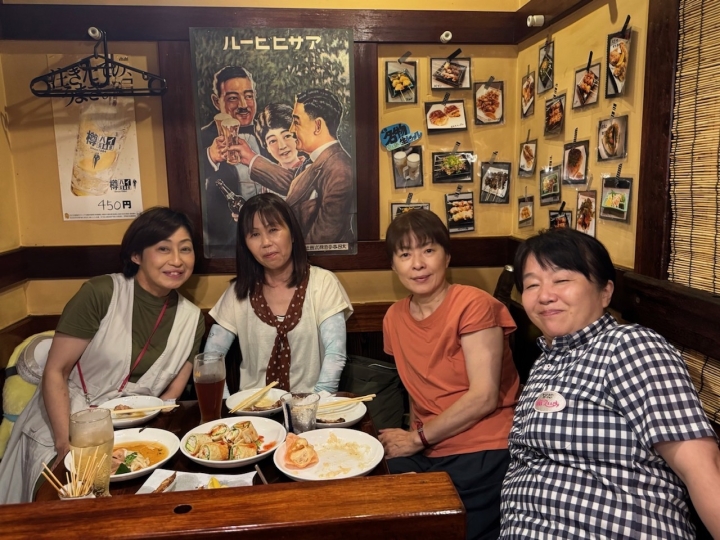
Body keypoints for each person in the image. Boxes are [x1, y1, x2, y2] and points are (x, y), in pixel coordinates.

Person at [500, 228, 720, 538]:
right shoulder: (546, 361)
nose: (545, 295)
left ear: (605, 292)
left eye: (561, 280)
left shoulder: (629, 346)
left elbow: (701, 468)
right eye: (532, 284)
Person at [0, 207, 204, 504]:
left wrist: (148, 441)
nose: (177, 260)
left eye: (185, 249)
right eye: (163, 248)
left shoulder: (192, 318)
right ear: (136, 255)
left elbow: (169, 398)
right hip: (67, 423)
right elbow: (56, 371)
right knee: (67, 506)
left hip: (136, 435)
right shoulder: (101, 293)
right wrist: (65, 446)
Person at [378, 210, 520, 540]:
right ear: (394, 266)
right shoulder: (393, 317)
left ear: (447, 256)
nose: (418, 264)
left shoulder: (473, 304)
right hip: (429, 449)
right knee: (370, 497)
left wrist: (415, 439)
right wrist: (412, 438)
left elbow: (484, 398)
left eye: (428, 250)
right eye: (405, 254)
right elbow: (416, 388)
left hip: (484, 448)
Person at [203, 193, 353, 394]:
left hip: (310, 405)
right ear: (245, 244)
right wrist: (223, 404)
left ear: (292, 234)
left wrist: (318, 401)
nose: (266, 242)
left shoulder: (323, 283)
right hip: (253, 408)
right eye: (254, 234)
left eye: (273, 229)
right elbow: (211, 357)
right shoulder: (238, 292)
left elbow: (335, 354)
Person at [233, 88, 355, 246]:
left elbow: (323, 236)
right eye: (272, 141)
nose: (292, 129)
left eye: (296, 122)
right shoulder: (320, 162)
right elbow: (294, 185)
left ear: (317, 125)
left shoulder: (338, 168)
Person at [200, 65, 264, 258]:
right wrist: (210, 157)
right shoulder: (201, 138)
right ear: (216, 101)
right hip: (226, 247)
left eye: (249, 96)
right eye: (233, 98)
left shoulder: (269, 133)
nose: (244, 105)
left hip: (269, 241)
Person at [254, 103, 307, 171]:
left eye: (287, 136)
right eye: (273, 141)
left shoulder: (312, 169)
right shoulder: (269, 175)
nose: (282, 146)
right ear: (267, 148)